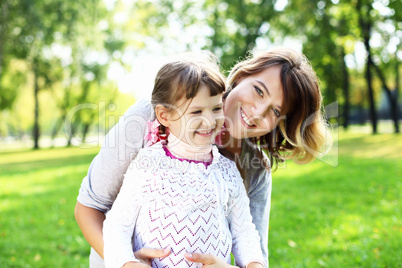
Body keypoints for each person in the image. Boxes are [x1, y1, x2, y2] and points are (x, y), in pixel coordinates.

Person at [75, 48, 330, 267]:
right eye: (259, 91)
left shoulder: (253, 169)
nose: (257, 111)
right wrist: (127, 262)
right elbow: (89, 207)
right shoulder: (149, 116)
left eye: (275, 110)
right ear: (241, 77)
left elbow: (253, 250)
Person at [102, 57, 266, 268]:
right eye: (196, 111)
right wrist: (127, 264)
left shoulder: (227, 171)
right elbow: (118, 225)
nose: (209, 120)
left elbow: (244, 233)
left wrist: (254, 265)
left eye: (216, 109)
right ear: (165, 116)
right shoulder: (148, 163)